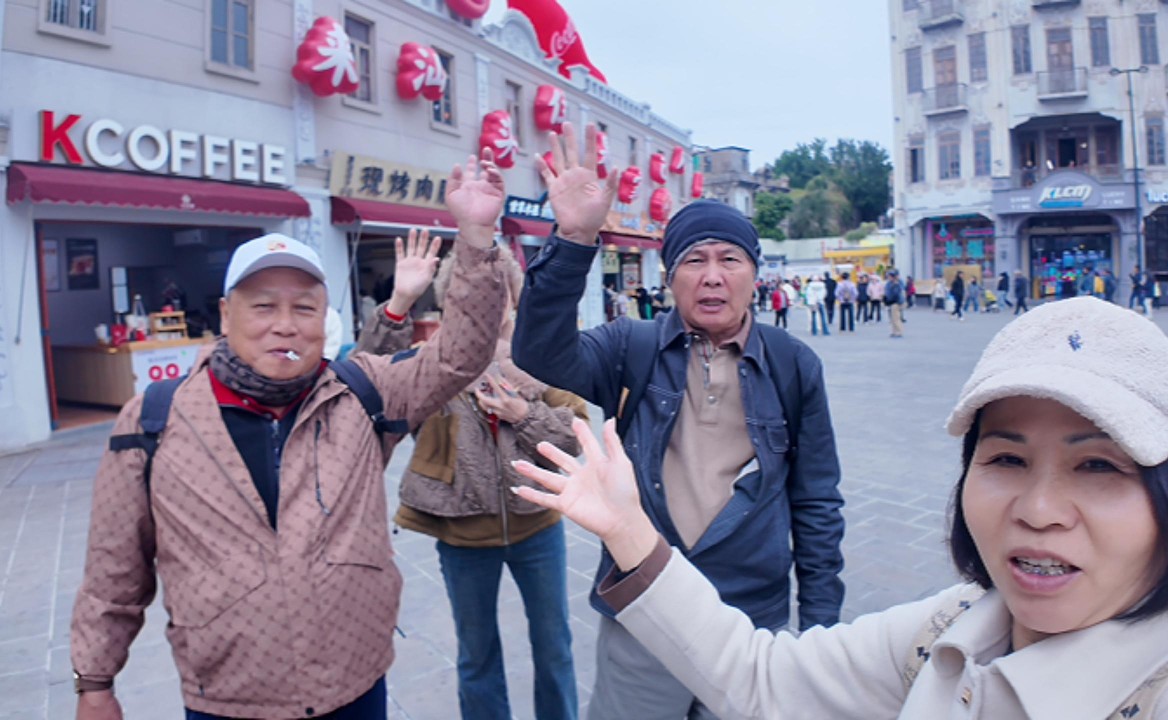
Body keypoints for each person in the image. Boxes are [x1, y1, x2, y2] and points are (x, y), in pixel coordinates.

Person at [512, 296, 1168, 719]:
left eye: (1101, 467)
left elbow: (817, 491)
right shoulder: (950, 629)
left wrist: (817, 595)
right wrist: (628, 531)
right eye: (1006, 458)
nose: (1041, 508)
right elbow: (761, 679)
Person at [70, 153, 509, 720]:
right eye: (263, 306)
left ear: (325, 316)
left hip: (354, 682)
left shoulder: (362, 392)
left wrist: (474, 237)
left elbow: (459, 358)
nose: (285, 323)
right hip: (227, 698)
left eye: (305, 307)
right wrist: (95, 682)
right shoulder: (153, 420)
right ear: (226, 314)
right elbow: (113, 570)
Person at [513, 123, 845, 720]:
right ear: (670, 276)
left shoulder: (795, 365)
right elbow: (540, 353)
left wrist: (819, 627)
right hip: (643, 607)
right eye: (693, 259)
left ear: (754, 274)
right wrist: (574, 239)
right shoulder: (628, 346)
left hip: (750, 617)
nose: (712, 274)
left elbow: (816, 500)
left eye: (730, 259)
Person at [358, 249, 583, 720]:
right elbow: (367, 388)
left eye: (495, 292)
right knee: (476, 656)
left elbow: (576, 432)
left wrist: (524, 414)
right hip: (461, 534)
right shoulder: (430, 360)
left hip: (537, 526)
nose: (486, 305)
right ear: (451, 301)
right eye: (471, 296)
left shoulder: (539, 357)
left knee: (556, 648)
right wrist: (399, 301)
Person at [883, 270, 905, 338]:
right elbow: (886, 291)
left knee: (896, 317)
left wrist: (895, 284)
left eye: (890, 276)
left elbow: (898, 292)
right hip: (890, 302)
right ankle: (894, 331)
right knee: (892, 318)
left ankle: (899, 331)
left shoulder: (898, 283)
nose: (888, 277)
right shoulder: (888, 283)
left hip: (896, 302)